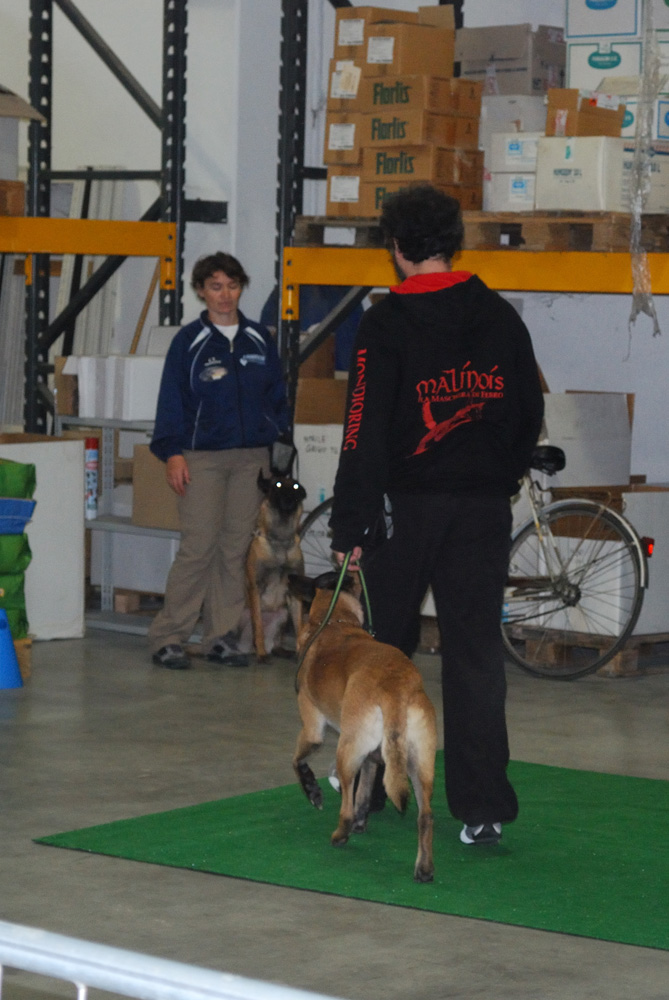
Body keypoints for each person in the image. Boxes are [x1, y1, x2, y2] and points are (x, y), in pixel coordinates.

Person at [329, 185, 545, 846]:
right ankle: (483, 809)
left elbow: (362, 429)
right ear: (454, 242)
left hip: (406, 509)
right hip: (480, 510)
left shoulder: (385, 324)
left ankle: (366, 791)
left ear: (395, 248)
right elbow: (528, 412)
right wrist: (499, 475)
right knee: (475, 656)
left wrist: (350, 524)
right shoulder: (500, 318)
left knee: (382, 652)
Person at [148, 252, 291, 670]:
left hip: (252, 460)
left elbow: (277, 396)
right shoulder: (188, 342)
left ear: (241, 288)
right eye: (215, 286)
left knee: (234, 549)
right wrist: (172, 452)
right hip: (201, 458)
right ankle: (168, 637)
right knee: (198, 547)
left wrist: (278, 443)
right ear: (200, 291)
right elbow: (171, 400)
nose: (225, 294)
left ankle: (220, 637)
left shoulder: (259, 339)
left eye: (232, 285)